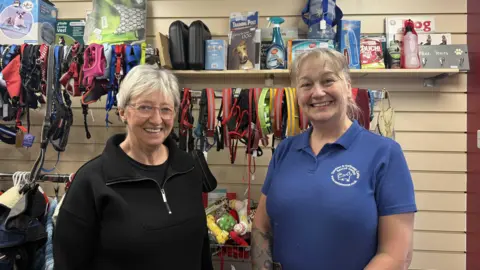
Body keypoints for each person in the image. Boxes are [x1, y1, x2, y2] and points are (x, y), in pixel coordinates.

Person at [251, 49, 417, 270]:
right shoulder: (285, 151)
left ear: (348, 88)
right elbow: (261, 226)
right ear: (297, 94)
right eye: (306, 84)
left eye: (328, 80)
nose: (317, 93)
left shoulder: (385, 153)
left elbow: (396, 255)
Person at [53, 65, 213, 270]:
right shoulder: (92, 181)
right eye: (145, 107)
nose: (156, 120)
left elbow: (201, 252)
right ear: (122, 112)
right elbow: (68, 263)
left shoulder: (188, 169)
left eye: (165, 109)